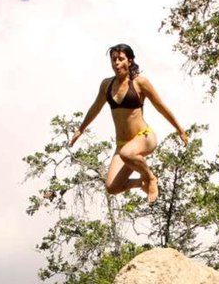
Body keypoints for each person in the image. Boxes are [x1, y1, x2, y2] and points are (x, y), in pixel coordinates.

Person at [69, 43, 188, 203]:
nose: (116, 63)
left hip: (144, 137)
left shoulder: (140, 82)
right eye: (113, 60)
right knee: (112, 187)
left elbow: (160, 106)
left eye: (120, 59)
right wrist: (81, 129)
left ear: (130, 61)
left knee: (127, 153)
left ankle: (151, 178)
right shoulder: (107, 85)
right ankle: (141, 182)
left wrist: (179, 129)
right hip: (122, 144)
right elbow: (95, 107)